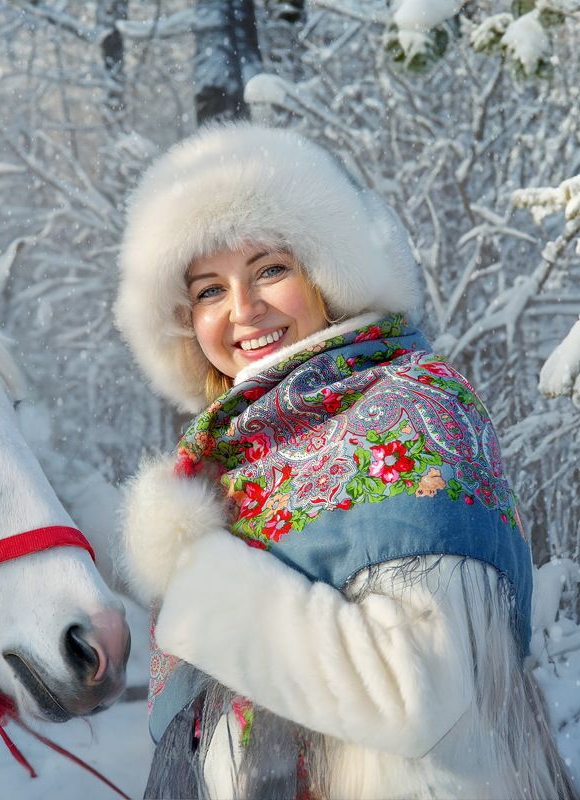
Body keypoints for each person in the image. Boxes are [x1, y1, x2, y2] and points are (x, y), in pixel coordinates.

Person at [113, 123, 576, 800]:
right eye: (209, 290)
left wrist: (199, 572)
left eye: (271, 269)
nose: (243, 309)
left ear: (328, 272)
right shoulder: (235, 458)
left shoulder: (411, 410)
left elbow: (409, 691)